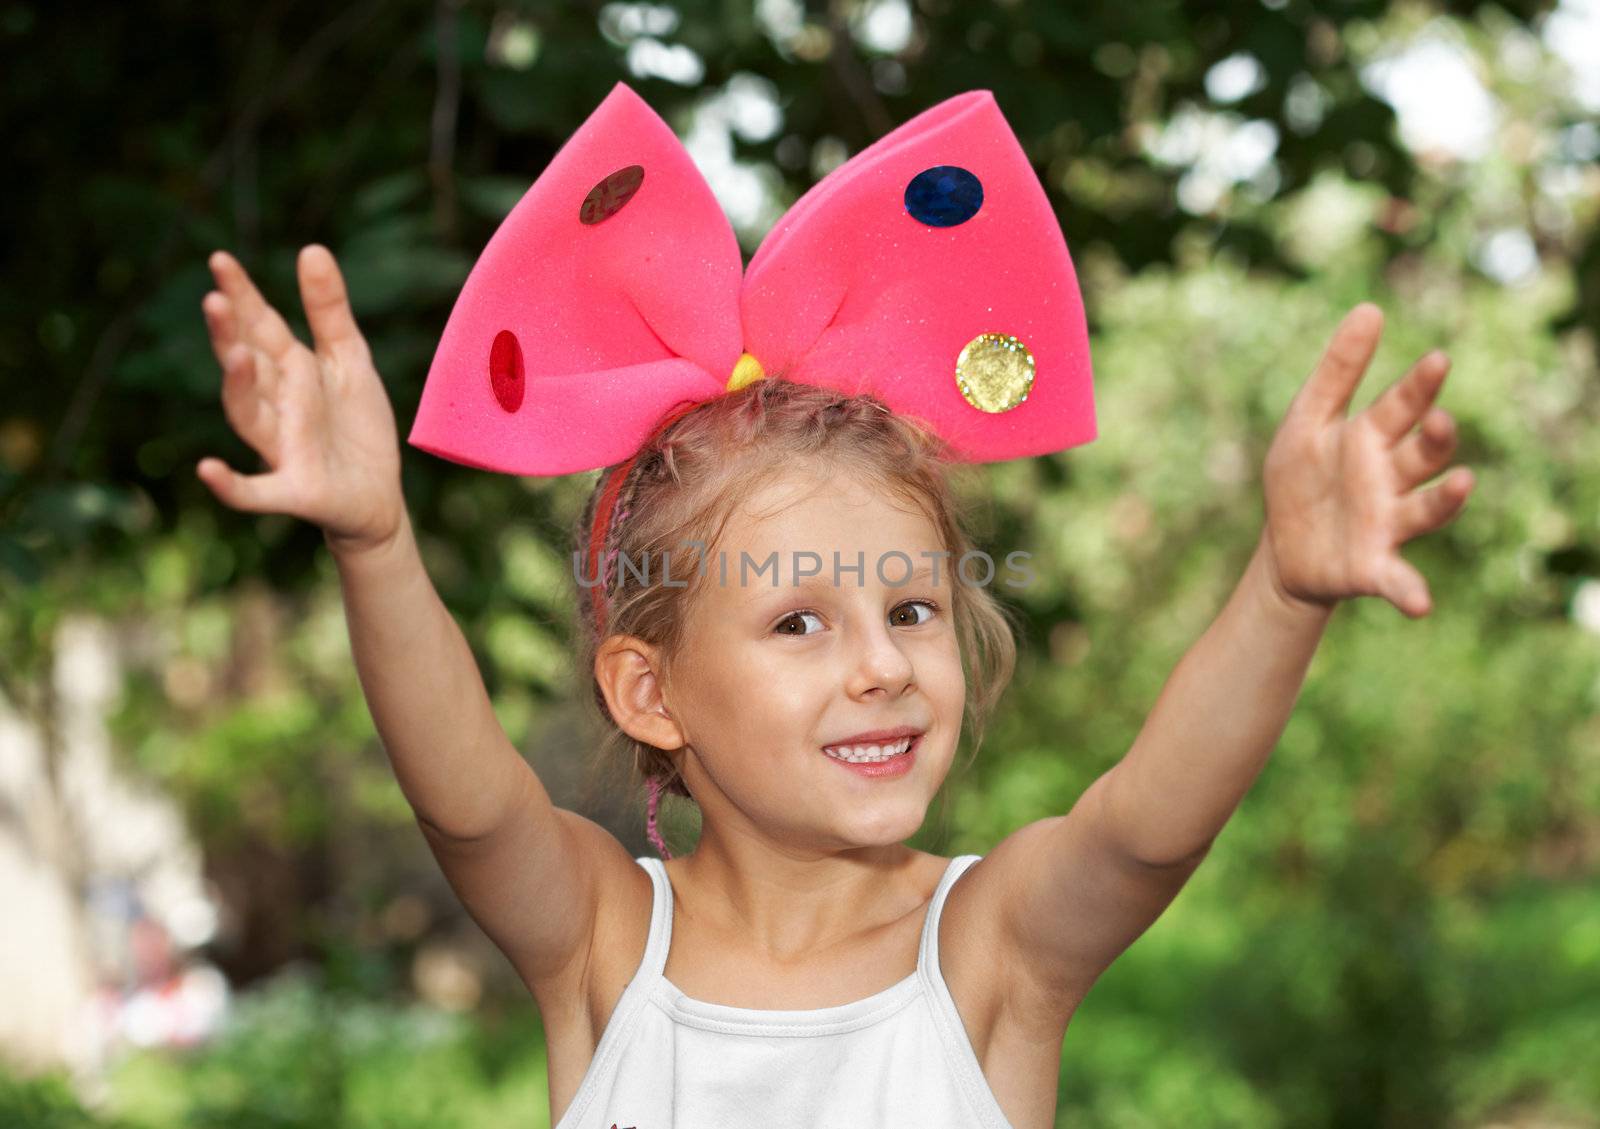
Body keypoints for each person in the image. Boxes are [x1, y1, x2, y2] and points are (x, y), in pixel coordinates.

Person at [195, 82, 1474, 1128]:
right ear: (652, 691)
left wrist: (1285, 584)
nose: (881, 666)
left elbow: (1143, 832)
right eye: (798, 621)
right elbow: (466, 800)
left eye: (912, 611)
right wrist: (372, 535)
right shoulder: (603, 940)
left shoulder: (986, 949)